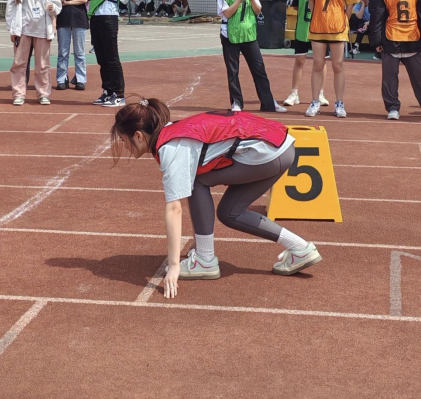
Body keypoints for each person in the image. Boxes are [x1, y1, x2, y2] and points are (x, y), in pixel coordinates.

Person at [110, 99, 323, 299]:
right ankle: (300, 248)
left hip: (267, 152)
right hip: (281, 147)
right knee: (230, 213)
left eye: (123, 139)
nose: (123, 145)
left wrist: (174, 265)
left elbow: (174, 209)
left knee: (197, 181)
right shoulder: (172, 133)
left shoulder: (171, 148)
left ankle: (205, 259)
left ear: (138, 136)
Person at [370, 0, 421, 120]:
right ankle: (393, 107)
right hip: (391, 37)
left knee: (420, 76)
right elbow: (377, 14)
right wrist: (377, 40)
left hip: (413, 37)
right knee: (389, 77)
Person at [218, 0, 287, 112]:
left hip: (249, 34)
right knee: (233, 71)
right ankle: (236, 102)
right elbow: (227, 13)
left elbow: (258, 10)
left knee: (259, 70)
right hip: (229, 35)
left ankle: (268, 103)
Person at [6, 0, 62, 106]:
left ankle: (43, 94)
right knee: (19, 63)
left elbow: (57, 6)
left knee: (43, 64)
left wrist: (53, 8)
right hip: (22, 29)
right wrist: (12, 28)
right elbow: (10, 6)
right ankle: (18, 94)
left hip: (43, 30)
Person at [305, 0, 355, 118]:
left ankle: (339, 103)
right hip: (318, 27)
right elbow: (311, 4)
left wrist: (342, 21)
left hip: (338, 28)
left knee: (338, 65)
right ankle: (315, 101)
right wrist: (318, 16)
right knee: (317, 64)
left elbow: (350, 6)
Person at [283, 0, 329, 107]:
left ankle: (320, 93)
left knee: (321, 61)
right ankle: (294, 93)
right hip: (303, 28)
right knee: (299, 60)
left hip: (320, 29)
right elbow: (295, 6)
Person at [89, 0, 127, 107]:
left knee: (112, 57)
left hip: (109, 16)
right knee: (101, 58)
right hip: (95, 16)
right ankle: (108, 91)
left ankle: (119, 94)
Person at [56, 0, 88, 91]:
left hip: (79, 18)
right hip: (63, 18)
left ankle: (80, 79)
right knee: (62, 52)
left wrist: (67, 3)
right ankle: (62, 79)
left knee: (79, 52)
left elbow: (84, 0)